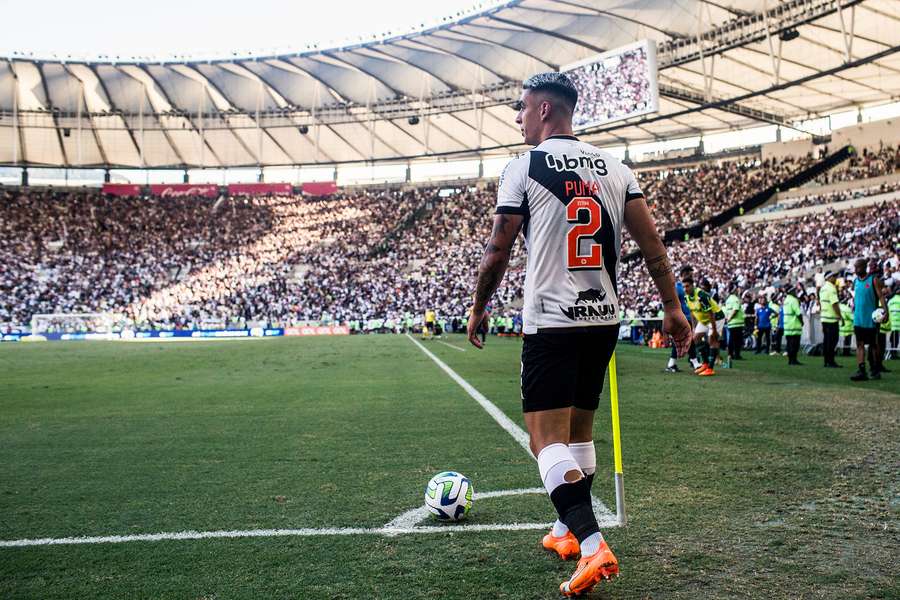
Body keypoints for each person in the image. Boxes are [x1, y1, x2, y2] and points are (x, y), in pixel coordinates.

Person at [465, 72, 691, 597]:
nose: (518, 118)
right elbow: (653, 246)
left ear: (545, 110)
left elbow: (498, 249)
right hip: (603, 319)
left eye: (522, 108)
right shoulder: (617, 168)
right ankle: (567, 531)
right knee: (579, 433)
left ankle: (592, 545)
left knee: (544, 439)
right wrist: (672, 307)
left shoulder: (524, 165)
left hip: (552, 318)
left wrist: (479, 306)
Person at [850, 258, 888, 381]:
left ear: (864, 267)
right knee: (859, 344)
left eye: (858, 267)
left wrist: (885, 311)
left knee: (873, 345)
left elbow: (881, 297)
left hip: (870, 320)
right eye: (855, 268)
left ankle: (876, 369)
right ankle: (861, 371)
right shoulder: (855, 281)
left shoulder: (873, 280)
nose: (855, 270)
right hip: (858, 319)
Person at [684, 276, 725, 376]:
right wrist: (694, 328)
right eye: (684, 287)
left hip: (716, 317)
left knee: (712, 339)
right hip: (704, 320)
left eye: (687, 286)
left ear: (693, 286)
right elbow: (692, 313)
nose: (685, 289)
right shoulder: (687, 298)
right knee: (696, 338)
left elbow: (711, 313)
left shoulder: (701, 295)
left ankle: (710, 368)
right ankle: (705, 363)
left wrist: (714, 331)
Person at [665, 265, 702, 373]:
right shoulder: (677, 287)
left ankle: (673, 364)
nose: (692, 276)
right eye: (690, 274)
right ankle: (694, 363)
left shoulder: (689, 287)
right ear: (685, 274)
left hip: (688, 317)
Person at [818, 271, 843, 368]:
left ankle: (826, 361)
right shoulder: (831, 288)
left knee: (827, 341)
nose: (835, 278)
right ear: (829, 277)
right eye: (834, 276)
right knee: (832, 341)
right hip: (831, 318)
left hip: (824, 318)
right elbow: (834, 304)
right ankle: (830, 361)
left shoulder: (823, 288)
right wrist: (839, 315)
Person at [783, 284, 804, 365]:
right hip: (794, 325)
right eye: (794, 290)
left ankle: (790, 360)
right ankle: (794, 360)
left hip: (787, 325)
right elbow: (798, 313)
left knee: (789, 344)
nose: (795, 291)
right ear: (791, 291)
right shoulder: (793, 300)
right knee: (795, 345)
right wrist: (802, 322)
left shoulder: (786, 300)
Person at [724, 287, 745, 363]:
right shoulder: (735, 299)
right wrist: (730, 318)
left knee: (731, 340)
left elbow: (727, 311)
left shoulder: (728, 300)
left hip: (731, 323)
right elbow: (735, 310)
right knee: (737, 341)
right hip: (737, 322)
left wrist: (728, 319)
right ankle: (737, 355)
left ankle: (730, 354)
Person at [889, 284, 900, 360]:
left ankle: (892, 353)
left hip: (892, 323)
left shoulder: (891, 300)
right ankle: (893, 354)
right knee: (895, 339)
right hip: (898, 323)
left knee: (892, 339)